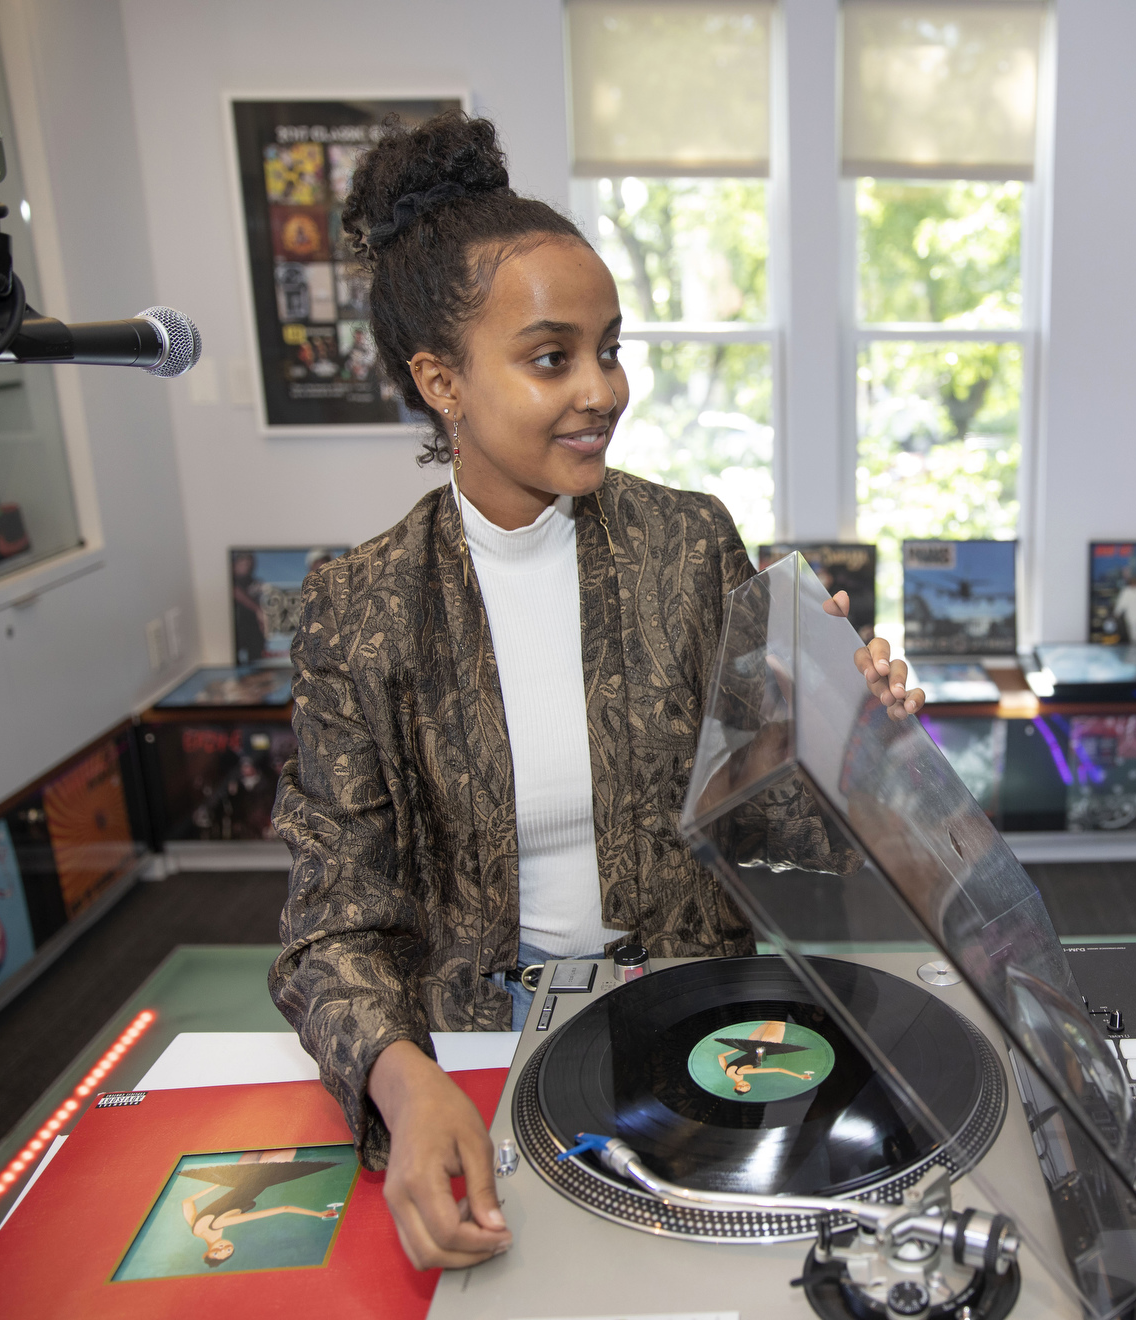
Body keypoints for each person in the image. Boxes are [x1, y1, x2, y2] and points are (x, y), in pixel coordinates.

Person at [267, 111, 925, 1273]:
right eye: (550, 356)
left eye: (610, 348)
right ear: (442, 382)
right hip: (481, 1054)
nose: (602, 389)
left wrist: (847, 738)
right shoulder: (356, 607)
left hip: (701, 1028)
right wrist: (404, 1083)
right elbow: (337, 918)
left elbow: (767, 811)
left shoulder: (690, 543)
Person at [179, 1150, 342, 1267]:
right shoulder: (196, 1229)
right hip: (240, 1174)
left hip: (263, 1175)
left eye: (217, 1251)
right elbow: (186, 1202)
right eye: (228, 1250)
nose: (223, 1247)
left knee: (288, 1139)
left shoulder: (222, 1223)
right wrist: (216, 1185)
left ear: (205, 1254)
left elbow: (284, 1208)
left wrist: (318, 1214)